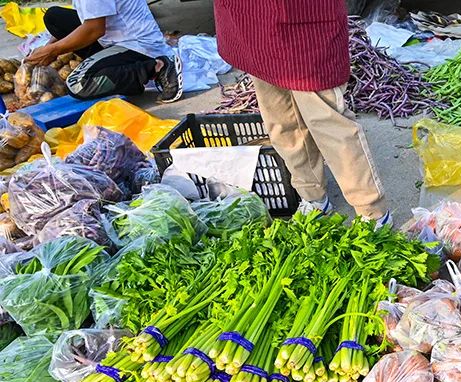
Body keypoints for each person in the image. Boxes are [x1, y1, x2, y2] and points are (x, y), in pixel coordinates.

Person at [213, 0, 388, 221]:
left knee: (328, 123)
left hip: (303, 18)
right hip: (251, 18)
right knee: (280, 120)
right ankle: (313, 196)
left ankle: (371, 211)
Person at [25, 0, 182, 102]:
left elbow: (95, 29)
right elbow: (87, 18)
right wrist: (49, 46)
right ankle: (105, 68)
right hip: (112, 37)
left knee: (77, 84)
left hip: (137, 46)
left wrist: (53, 50)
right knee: (54, 17)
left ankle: (157, 67)